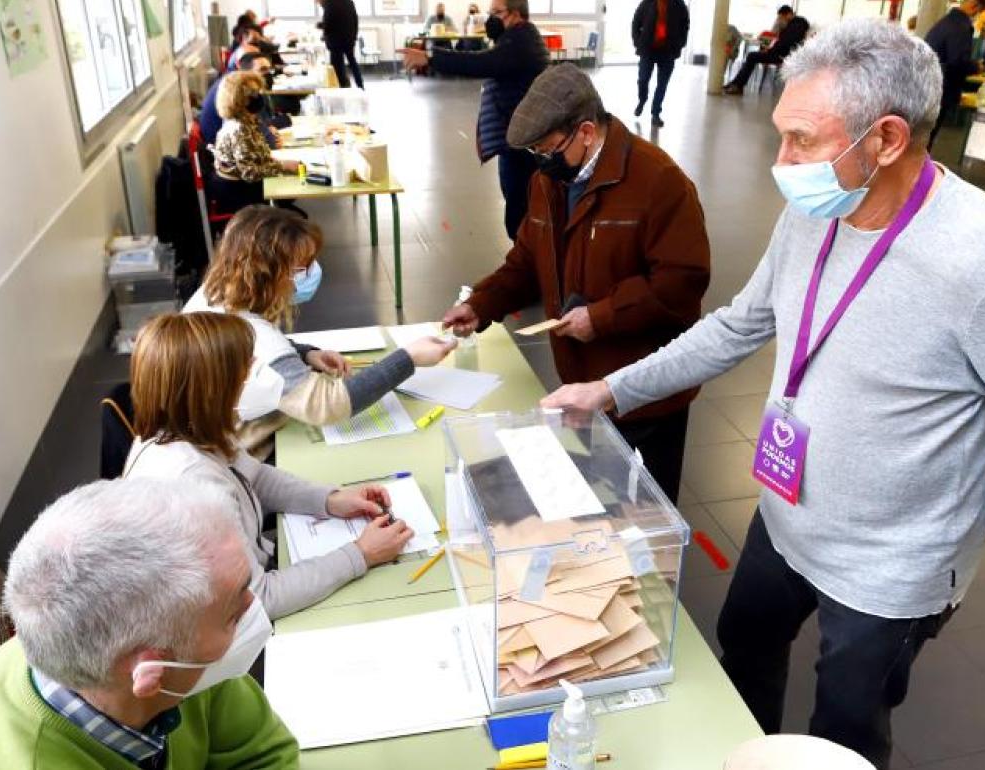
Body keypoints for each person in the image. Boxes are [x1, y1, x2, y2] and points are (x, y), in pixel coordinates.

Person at [541, 20, 985, 769]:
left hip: (890, 569)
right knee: (744, 648)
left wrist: (966, 519)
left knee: (845, 728)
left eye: (803, 141)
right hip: (784, 517)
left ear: (885, 139)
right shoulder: (815, 212)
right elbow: (738, 327)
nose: (780, 162)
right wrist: (611, 391)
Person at [440, 64, 711, 504]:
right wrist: (483, 302)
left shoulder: (659, 181)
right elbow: (528, 260)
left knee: (651, 505)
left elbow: (681, 284)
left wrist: (600, 318)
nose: (541, 162)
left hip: (647, 387)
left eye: (548, 149)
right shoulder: (548, 181)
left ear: (586, 131)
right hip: (580, 380)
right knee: (594, 495)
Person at [0, 478, 299, 768]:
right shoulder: (177, 638)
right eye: (233, 611)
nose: (251, 607)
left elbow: (264, 754)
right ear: (152, 673)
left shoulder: (173, 648)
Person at [124, 312, 417, 620]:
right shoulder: (196, 484)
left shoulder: (192, 427)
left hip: (249, 563)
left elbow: (255, 477)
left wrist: (330, 500)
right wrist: (361, 554)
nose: (256, 371)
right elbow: (258, 599)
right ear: (211, 389)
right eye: (246, 367)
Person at [184, 206, 456, 455]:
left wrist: (303, 355)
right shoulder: (259, 339)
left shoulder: (211, 295)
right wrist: (408, 357)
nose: (308, 275)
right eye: (300, 269)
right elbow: (328, 404)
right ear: (266, 274)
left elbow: (253, 348)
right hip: (245, 454)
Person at [401, 0, 549, 239]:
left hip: (524, 142)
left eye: (496, 13)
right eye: (489, 13)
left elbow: (480, 63)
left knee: (519, 213)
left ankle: (528, 267)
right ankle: (527, 263)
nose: (490, 19)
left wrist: (430, 58)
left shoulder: (520, 42)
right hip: (519, 136)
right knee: (518, 207)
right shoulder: (517, 39)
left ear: (516, 15)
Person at [210, 72, 299, 213]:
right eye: (253, 95)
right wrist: (282, 166)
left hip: (244, 183)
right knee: (292, 182)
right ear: (238, 99)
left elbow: (257, 154)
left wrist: (278, 164)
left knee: (292, 177)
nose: (259, 98)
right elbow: (249, 173)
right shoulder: (239, 128)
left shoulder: (248, 119)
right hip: (237, 190)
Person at [924, 0, 985, 148]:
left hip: (926, 86)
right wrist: (976, 66)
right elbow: (957, 62)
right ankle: (917, 170)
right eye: (979, 11)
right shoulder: (961, 27)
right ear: (975, 7)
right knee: (924, 141)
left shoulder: (944, 23)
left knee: (919, 138)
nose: (977, 15)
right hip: (940, 90)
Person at [723, 5, 809, 94]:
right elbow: (781, 40)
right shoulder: (793, 25)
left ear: (789, 14)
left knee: (752, 56)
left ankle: (737, 85)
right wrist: (771, 49)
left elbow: (786, 43)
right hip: (779, 53)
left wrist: (770, 51)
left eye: (782, 17)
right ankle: (736, 84)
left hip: (782, 55)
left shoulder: (797, 25)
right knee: (752, 56)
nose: (781, 20)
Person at [632, 0, 691, 127]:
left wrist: (680, 44)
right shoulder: (647, 3)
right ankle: (642, 100)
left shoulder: (679, 5)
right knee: (643, 79)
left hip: (668, 51)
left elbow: (685, 25)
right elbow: (635, 23)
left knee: (662, 84)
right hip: (648, 49)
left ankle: (655, 113)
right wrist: (638, 42)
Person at [199, 52, 279, 146]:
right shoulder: (238, 92)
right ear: (247, 71)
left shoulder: (232, 82)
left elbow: (262, 124)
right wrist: (271, 134)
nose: (268, 74)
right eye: (263, 70)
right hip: (218, 146)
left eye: (269, 70)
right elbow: (269, 141)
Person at [317, 0, 364, 89]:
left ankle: (341, 87)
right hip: (349, 39)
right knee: (353, 63)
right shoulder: (349, 2)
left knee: (336, 66)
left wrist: (321, 29)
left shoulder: (329, 4)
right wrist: (354, 36)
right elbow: (355, 20)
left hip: (336, 41)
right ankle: (360, 85)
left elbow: (328, 22)